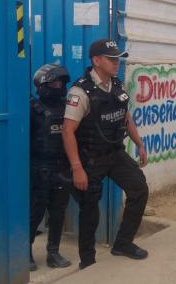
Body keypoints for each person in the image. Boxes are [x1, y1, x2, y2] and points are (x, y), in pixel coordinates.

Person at [62, 39, 149, 270]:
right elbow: (68, 131)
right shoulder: (80, 91)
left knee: (139, 189)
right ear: (96, 61)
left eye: (117, 58)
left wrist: (139, 143)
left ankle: (122, 243)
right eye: (111, 59)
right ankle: (88, 261)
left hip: (114, 153)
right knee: (90, 209)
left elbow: (125, 116)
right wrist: (77, 167)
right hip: (90, 158)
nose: (116, 63)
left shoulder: (116, 85)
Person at [29, 64, 72, 271]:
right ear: (42, 85)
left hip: (62, 167)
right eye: (54, 82)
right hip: (39, 168)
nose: (59, 86)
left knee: (58, 212)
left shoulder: (68, 108)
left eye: (61, 82)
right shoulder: (32, 109)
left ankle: (53, 253)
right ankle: (25, 252)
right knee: (35, 212)